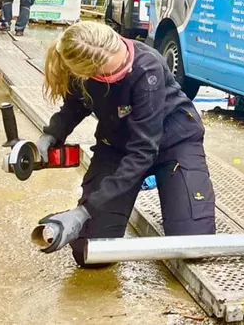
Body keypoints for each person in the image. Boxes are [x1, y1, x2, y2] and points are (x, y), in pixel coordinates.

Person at [36, 21, 216, 266]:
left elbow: (143, 152)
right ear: (88, 72)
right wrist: (50, 136)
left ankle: (178, 197)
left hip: (173, 144)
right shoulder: (79, 68)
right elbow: (75, 105)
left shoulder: (147, 68)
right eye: (116, 69)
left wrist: (85, 211)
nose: (125, 64)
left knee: (194, 248)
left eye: (122, 59)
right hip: (117, 146)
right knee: (90, 254)